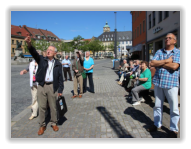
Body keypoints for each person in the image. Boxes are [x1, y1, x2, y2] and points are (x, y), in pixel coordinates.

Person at [25, 34, 64, 135]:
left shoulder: (58, 64)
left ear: (55, 53)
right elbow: (34, 53)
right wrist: (29, 44)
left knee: (53, 106)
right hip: (42, 86)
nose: (48, 51)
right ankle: (42, 125)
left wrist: (60, 90)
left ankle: (54, 123)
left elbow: (60, 78)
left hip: (52, 86)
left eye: (50, 50)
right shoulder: (42, 60)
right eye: (47, 49)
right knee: (42, 107)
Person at [147, 33, 180, 138]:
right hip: (158, 82)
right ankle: (157, 124)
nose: (167, 39)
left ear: (175, 41)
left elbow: (174, 66)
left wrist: (160, 63)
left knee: (174, 108)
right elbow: (152, 63)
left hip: (171, 83)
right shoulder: (159, 51)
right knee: (157, 106)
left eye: (170, 38)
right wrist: (167, 61)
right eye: (166, 38)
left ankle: (174, 129)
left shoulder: (178, 52)